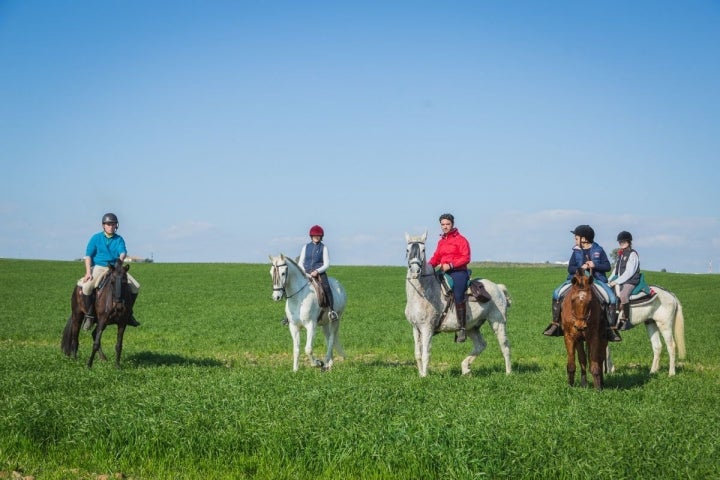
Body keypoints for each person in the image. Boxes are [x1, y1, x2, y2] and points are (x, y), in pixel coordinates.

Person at [542, 224, 621, 342]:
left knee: (612, 298)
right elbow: (570, 268)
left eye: (576, 237)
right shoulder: (576, 251)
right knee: (556, 293)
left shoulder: (599, 250)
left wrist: (595, 265)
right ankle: (556, 324)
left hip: (596, 280)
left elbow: (607, 266)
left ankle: (610, 328)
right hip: (576, 281)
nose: (575, 239)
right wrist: (581, 268)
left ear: (584, 239)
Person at [78, 213, 141, 330]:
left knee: (136, 286)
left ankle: (129, 315)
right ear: (103, 226)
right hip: (100, 267)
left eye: (113, 224)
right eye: (108, 224)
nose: (111, 226)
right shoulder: (96, 238)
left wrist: (121, 259)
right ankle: (89, 316)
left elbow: (122, 251)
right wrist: (88, 272)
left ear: (116, 225)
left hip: (115, 267)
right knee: (86, 287)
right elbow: (88, 256)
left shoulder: (119, 239)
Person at [428, 213, 471, 343]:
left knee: (458, 294)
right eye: (443, 224)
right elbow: (436, 257)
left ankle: (462, 328)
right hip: (443, 271)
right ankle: (435, 322)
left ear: (452, 224)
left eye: (447, 224)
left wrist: (450, 265)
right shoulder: (441, 242)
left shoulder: (461, 240)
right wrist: (428, 267)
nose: (445, 227)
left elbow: (466, 257)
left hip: (458, 272)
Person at [283, 225, 338, 324]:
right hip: (306, 272)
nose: (316, 237)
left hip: (319, 273)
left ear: (321, 237)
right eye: (314, 235)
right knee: (293, 287)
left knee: (326, 287)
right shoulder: (306, 247)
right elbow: (301, 262)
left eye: (318, 235)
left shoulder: (323, 248)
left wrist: (317, 271)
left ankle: (331, 311)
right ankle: (289, 315)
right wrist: (304, 271)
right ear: (311, 236)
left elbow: (327, 264)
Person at [608, 231, 640, 330]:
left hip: (630, 281)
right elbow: (615, 270)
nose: (622, 243)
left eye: (624, 241)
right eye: (620, 242)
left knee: (623, 295)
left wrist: (617, 281)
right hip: (621, 279)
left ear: (629, 242)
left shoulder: (633, 254)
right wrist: (609, 280)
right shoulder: (621, 255)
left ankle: (626, 319)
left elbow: (629, 272)